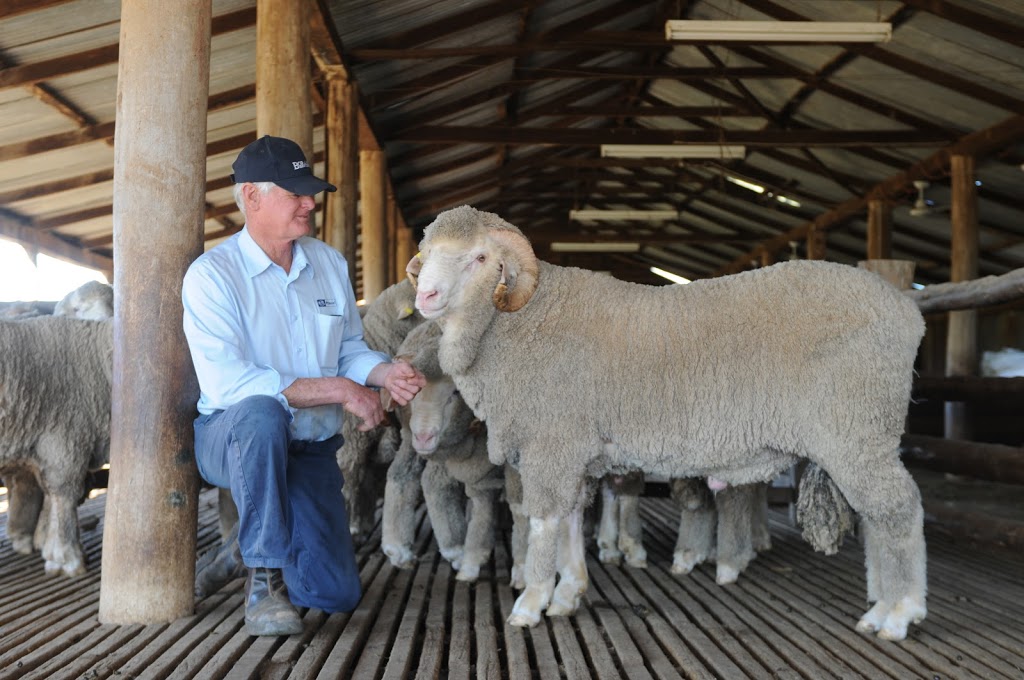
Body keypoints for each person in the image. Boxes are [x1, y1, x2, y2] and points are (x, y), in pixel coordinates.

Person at [181, 135, 425, 637]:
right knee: (261, 411)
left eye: (308, 191)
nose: (309, 203)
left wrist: (383, 373)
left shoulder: (328, 264)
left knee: (334, 595)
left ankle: (238, 549)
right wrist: (338, 389)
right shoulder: (213, 276)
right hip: (231, 439)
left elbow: (349, 349)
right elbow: (230, 384)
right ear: (251, 196)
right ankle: (264, 583)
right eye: (294, 193)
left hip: (308, 449)